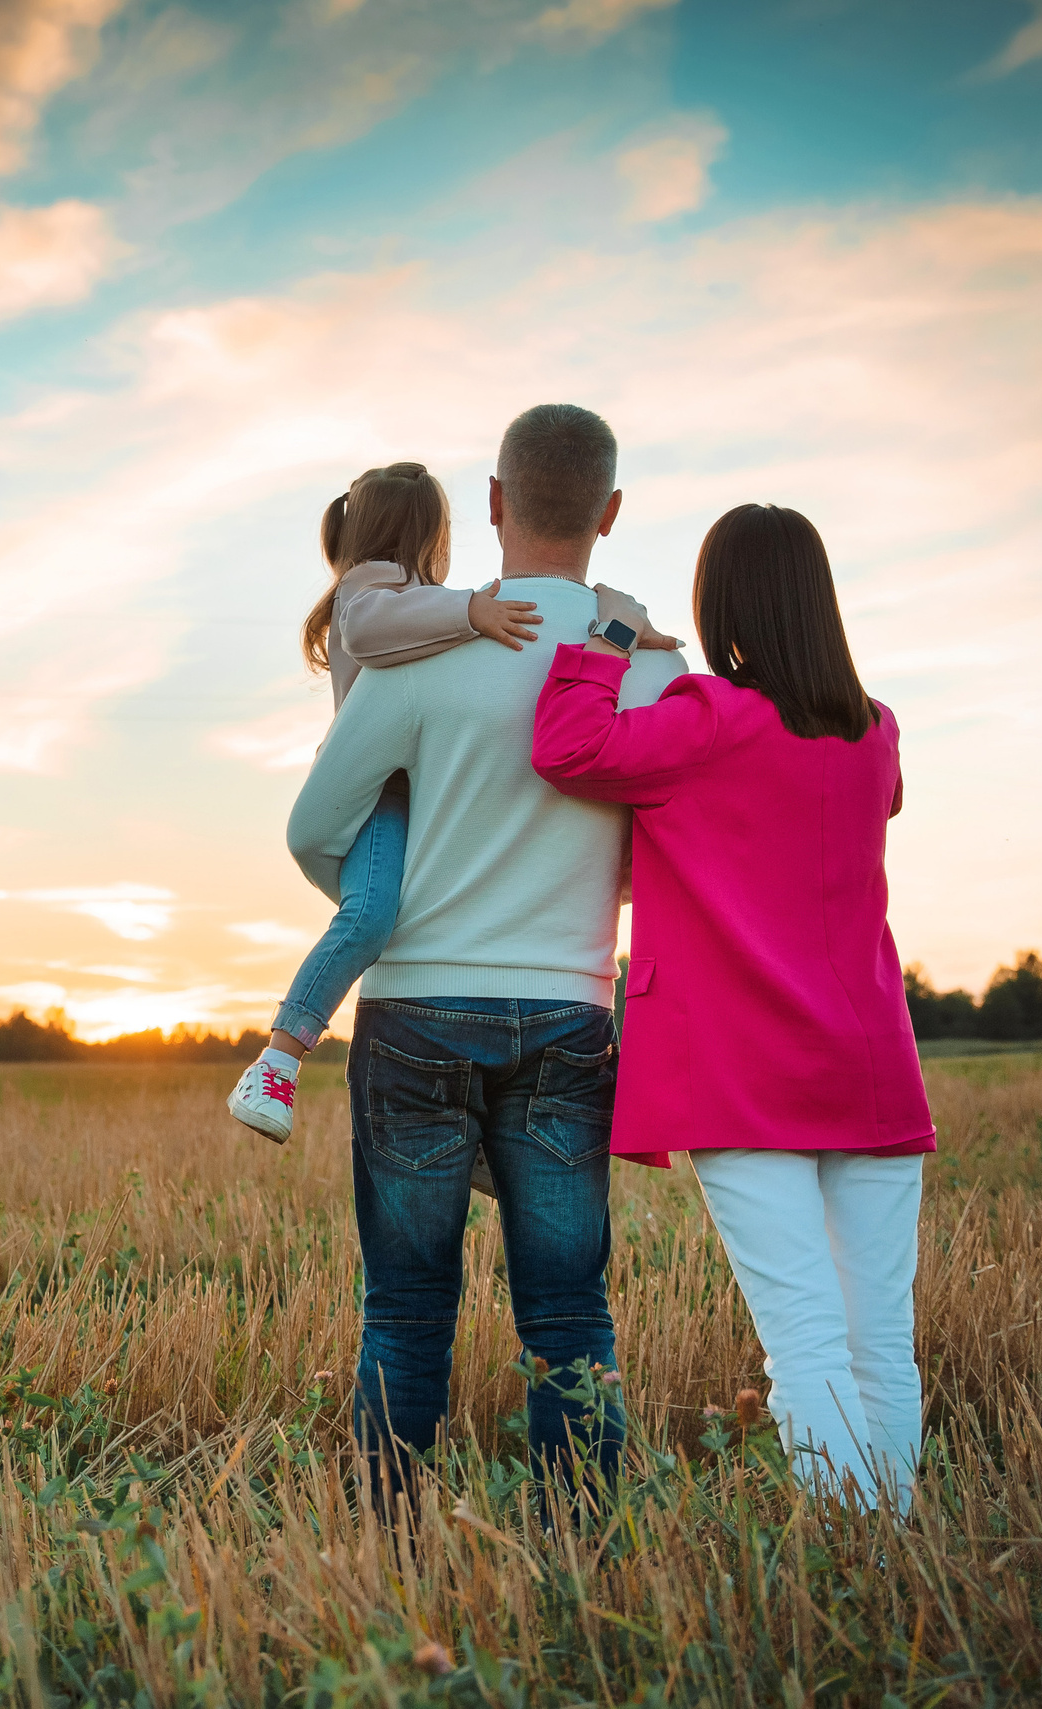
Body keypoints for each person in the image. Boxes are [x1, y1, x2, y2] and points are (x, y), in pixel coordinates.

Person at [284, 405, 684, 1502]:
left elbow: (312, 824)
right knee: (568, 1308)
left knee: (405, 1305)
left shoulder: (429, 650)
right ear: (607, 513)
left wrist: (386, 914)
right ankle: (583, 1536)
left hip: (414, 1011)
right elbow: (668, 858)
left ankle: (385, 1537)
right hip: (568, 1010)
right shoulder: (652, 669)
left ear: (496, 503)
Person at [530, 502, 935, 1513]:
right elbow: (872, 804)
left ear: (720, 603)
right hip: (870, 1066)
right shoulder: (874, 729)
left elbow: (567, 750)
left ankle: (852, 1552)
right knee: (879, 1336)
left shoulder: (710, 718)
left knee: (800, 1336)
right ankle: (894, 1544)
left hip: (743, 1072)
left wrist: (610, 636)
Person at [226, 461, 545, 1146]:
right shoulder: (371, 586)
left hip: (427, 791)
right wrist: (471, 610)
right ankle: (279, 1056)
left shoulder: (420, 595)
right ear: (422, 528)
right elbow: (371, 630)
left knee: (441, 923)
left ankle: (481, 1127)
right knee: (370, 915)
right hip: (382, 794)